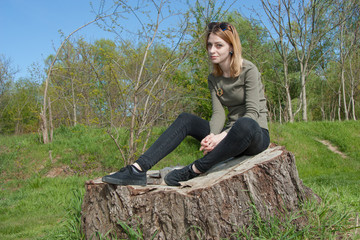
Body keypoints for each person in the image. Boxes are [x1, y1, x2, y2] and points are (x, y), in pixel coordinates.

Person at [102, 22, 270, 186]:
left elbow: (252, 113)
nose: (212, 50)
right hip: (226, 136)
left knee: (244, 124)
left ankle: (194, 169)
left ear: (231, 47)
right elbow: (218, 114)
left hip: (254, 135)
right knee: (186, 119)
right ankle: (137, 169)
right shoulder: (213, 78)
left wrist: (221, 136)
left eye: (219, 46)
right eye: (209, 45)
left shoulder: (249, 69)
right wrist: (211, 136)